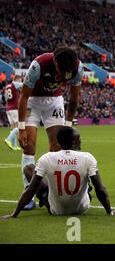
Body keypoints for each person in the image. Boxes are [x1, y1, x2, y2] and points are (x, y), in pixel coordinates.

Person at [1, 126, 115, 217]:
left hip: (56, 211)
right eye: (79, 138)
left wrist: (14, 214)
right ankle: (51, 196)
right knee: (90, 183)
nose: (81, 140)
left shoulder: (47, 158)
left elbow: (31, 189)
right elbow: (100, 188)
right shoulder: (87, 157)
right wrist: (110, 211)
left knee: (28, 168)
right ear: (74, 142)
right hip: (82, 208)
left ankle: (44, 198)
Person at [17, 47, 84, 210]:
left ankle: (54, 193)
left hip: (54, 101)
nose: (61, 77)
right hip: (32, 100)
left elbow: (74, 99)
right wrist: (21, 128)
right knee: (29, 146)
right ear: (54, 62)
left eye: (65, 74)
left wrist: (68, 126)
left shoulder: (78, 68)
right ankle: (30, 193)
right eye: (60, 72)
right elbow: (24, 96)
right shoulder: (38, 65)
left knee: (57, 147)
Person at [4, 75, 23, 151]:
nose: (20, 82)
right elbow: (24, 84)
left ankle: (14, 146)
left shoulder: (7, 86)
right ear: (16, 79)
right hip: (14, 108)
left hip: (8, 108)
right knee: (19, 126)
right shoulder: (14, 84)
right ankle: (8, 139)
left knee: (13, 126)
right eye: (20, 80)